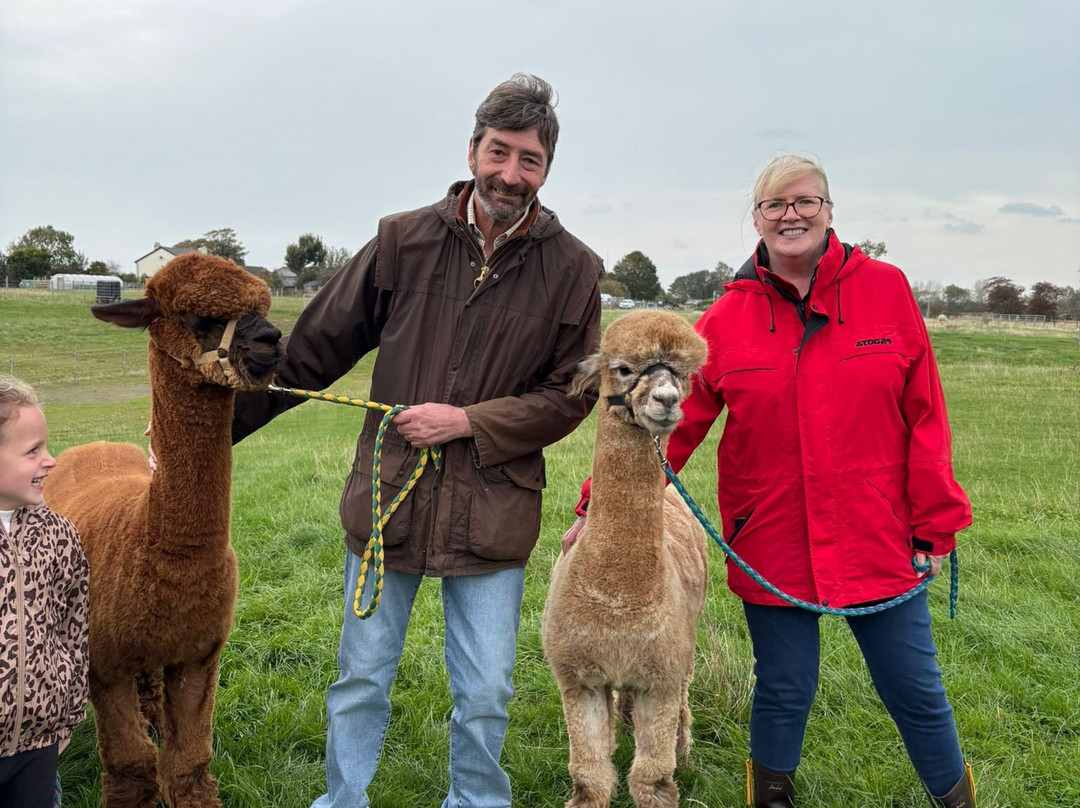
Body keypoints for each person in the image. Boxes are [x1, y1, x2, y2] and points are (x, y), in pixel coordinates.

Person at [231, 73, 602, 808]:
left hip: (495, 508)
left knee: (488, 689)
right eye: (500, 152)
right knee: (361, 675)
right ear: (472, 149)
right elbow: (311, 355)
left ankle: (476, 802)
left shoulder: (574, 270)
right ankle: (345, 799)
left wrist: (470, 421)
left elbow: (572, 394)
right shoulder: (402, 239)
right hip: (387, 499)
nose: (510, 174)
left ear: (547, 168)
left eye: (529, 160)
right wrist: (210, 434)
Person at [564, 155, 976, 807]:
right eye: (774, 205)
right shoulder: (728, 319)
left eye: (805, 201)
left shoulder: (886, 291)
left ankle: (956, 800)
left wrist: (934, 524)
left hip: (881, 533)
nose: (791, 215)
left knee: (915, 687)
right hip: (775, 540)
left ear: (829, 211)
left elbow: (925, 412)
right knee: (783, 686)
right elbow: (674, 424)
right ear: (756, 220)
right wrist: (595, 507)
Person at [0, 375, 89, 808]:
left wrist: (68, 714)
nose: (51, 461)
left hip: (38, 742)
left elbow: (74, 627)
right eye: (32, 451)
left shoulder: (59, 535)